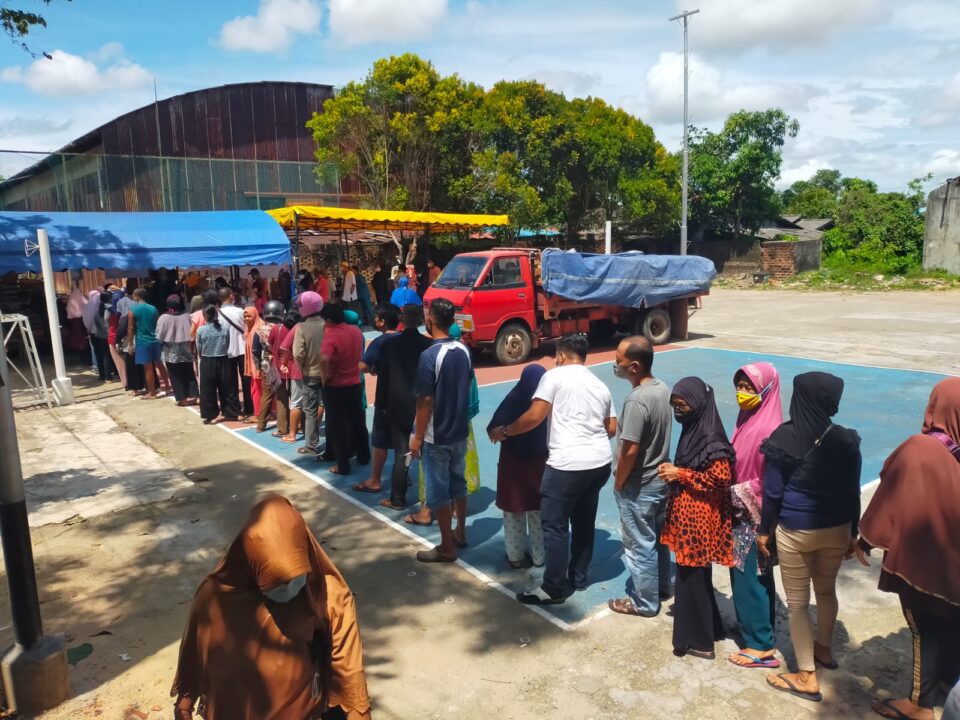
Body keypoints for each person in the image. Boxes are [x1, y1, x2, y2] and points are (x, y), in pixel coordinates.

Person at [171, 494, 371, 720]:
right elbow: (194, 654)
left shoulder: (328, 596)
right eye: (275, 584)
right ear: (251, 565)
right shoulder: (215, 596)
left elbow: (351, 675)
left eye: (296, 577)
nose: (288, 589)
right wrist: (184, 705)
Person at [856, 378, 960, 720]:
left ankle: (919, 705)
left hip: (922, 566)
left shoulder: (920, 448)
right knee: (951, 629)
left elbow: (890, 492)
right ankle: (946, 690)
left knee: (923, 629)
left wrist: (865, 540)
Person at [759, 372, 862, 702]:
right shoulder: (846, 440)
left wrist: (764, 532)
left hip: (796, 530)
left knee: (798, 604)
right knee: (827, 590)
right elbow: (852, 492)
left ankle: (805, 675)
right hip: (838, 527)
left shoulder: (784, 437)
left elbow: (773, 494)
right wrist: (854, 533)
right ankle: (824, 650)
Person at [491, 334, 616, 604]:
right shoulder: (599, 384)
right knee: (584, 522)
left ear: (560, 355)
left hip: (566, 465)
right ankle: (579, 578)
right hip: (599, 463)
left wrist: (506, 431)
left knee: (555, 526)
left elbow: (535, 417)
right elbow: (612, 427)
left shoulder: (553, 378)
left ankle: (553, 587)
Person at [657, 377, 735, 660]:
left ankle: (699, 642)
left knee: (691, 580)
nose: (679, 411)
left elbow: (721, 478)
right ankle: (711, 628)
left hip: (699, 522)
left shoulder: (711, 437)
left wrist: (681, 474)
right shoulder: (694, 430)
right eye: (675, 405)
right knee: (697, 577)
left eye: (684, 404)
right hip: (689, 517)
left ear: (700, 404)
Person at [607, 336, 674, 618]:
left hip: (640, 485)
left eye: (619, 360)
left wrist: (620, 480)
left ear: (634, 366)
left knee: (638, 545)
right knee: (656, 539)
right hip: (660, 480)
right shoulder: (662, 389)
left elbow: (630, 449)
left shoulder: (637, 401)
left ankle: (645, 603)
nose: (615, 364)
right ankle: (661, 587)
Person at [407, 298, 472, 563]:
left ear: (430, 321)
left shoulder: (430, 355)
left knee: (439, 492)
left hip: (437, 434)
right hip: (459, 430)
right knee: (459, 483)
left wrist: (418, 436)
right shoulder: (464, 350)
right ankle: (461, 532)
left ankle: (447, 546)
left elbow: (424, 400)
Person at [727, 362, 783, 669]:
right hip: (741, 514)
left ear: (767, 389)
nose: (743, 393)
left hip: (753, 517)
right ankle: (755, 629)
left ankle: (761, 646)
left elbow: (768, 482)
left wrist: (733, 492)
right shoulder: (748, 418)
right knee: (749, 576)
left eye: (749, 387)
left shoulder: (768, 429)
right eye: (740, 386)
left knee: (751, 577)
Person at [487, 364, 548, 569]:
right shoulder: (548, 403)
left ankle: (515, 556)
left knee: (514, 511)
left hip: (513, 465)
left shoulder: (514, 399)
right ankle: (540, 556)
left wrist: (504, 432)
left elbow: (492, 428)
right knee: (539, 513)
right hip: (541, 465)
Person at [378, 304, 434, 512]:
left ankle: (397, 498)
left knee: (402, 453)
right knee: (430, 453)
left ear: (403, 319)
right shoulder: (428, 345)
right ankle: (433, 503)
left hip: (398, 405)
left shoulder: (390, 345)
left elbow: (383, 379)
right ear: (421, 321)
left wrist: (382, 404)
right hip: (424, 404)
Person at [353, 304, 402, 495]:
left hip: (386, 396)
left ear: (382, 321)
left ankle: (375, 480)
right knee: (402, 441)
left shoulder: (380, 342)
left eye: (376, 317)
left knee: (380, 440)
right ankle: (402, 476)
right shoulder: (407, 339)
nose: (374, 320)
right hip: (407, 397)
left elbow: (362, 366)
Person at [319, 304, 370, 475]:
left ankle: (342, 464)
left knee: (337, 426)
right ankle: (364, 455)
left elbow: (323, 359)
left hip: (336, 386)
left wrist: (325, 377)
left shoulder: (330, 335)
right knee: (358, 421)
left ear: (328, 320)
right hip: (354, 383)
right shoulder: (355, 331)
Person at [293, 292, 326, 456]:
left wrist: (303, 366)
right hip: (328, 374)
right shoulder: (327, 324)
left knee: (310, 410)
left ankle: (311, 445)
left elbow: (297, 353)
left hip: (310, 373)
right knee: (329, 407)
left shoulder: (302, 328)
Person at [195, 304, 241, 424]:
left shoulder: (201, 330)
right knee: (227, 387)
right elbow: (227, 343)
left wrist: (202, 355)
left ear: (205, 315)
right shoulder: (224, 328)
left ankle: (209, 414)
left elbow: (198, 347)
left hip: (207, 360)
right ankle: (231, 412)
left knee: (207, 389)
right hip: (223, 359)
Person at [127, 288, 171, 399]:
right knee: (159, 364)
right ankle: (167, 387)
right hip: (155, 340)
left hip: (143, 341)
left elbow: (131, 328)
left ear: (136, 296)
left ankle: (152, 393)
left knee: (148, 368)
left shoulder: (133, 310)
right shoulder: (153, 309)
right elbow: (157, 324)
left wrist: (130, 344)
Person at [156, 295, 199, 407]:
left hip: (171, 350)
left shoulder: (163, 318)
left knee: (175, 375)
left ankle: (182, 398)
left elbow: (159, 336)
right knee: (189, 372)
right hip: (186, 347)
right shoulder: (187, 316)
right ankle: (195, 395)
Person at [218, 287, 251, 420]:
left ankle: (233, 410)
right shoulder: (239, 311)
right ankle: (249, 407)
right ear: (231, 296)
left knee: (229, 381)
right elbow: (246, 327)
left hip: (227, 349)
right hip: (243, 348)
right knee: (246, 379)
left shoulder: (217, 313)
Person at [255, 301, 288, 434]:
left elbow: (255, 349)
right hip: (279, 362)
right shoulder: (283, 328)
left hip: (266, 362)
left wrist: (258, 365)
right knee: (281, 396)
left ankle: (261, 425)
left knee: (267, 394)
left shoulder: (259, 329)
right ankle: (283, 427)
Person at [278, 309, 306, 444]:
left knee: (296, 402)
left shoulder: (297, 328)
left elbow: (285, 348)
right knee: (317, 402)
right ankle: (311, 431)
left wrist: (282, 363)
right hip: (318, 370)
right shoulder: (322, 325)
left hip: (298, 370)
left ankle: (292, 434)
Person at [242, 306, 264, 417]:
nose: (246, 319)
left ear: (255, 315)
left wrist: (258, 367)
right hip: (254, 364)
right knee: (256, 389)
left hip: (258, 365)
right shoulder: (249, 328)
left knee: (257, 390)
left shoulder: (259, 328)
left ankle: (258, 415)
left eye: (249, 316)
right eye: (245, 316)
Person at [107, 289, 127, 388]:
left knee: (119, 362)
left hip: (113, 338)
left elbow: (106, 321)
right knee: (128, 361)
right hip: (126, 337)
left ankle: (125, 382)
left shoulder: (110, 310)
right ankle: (131, 382)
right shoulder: (127, 309)